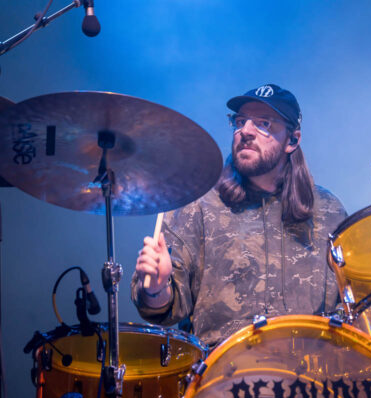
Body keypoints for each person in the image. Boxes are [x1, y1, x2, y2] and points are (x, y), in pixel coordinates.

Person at [131, 84, 347, 349]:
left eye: (263, 123)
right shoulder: (198, 204)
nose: (245, 131)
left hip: (312, 368)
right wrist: (156, 288)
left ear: (292, 140)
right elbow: (161, 310)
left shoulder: (328, 210)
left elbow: (353, 305)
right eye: (240, 121)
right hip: (222, 367)